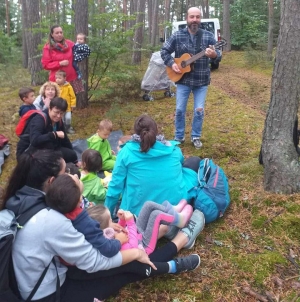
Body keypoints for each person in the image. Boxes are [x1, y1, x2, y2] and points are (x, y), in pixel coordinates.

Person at [2, 149, 202, 301]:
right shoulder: (49, 219)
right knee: (127, 267)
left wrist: (105, 229)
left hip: (45, 273)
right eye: (68, 172)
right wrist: (134, 254)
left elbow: (77, 227)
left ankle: (167, 241)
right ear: (53, 181)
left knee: (124, 251)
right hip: (49, 293)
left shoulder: (24, 198)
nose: (74, 173)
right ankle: (179, 244)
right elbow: (96, 261)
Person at [104, 114, 200, 217]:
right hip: (175, 212)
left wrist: (107, 216)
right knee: (193, 163)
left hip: (137, 216)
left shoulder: (126, 152)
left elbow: (115, 187)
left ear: (136, 132)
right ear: (156, 130)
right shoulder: (174, 150)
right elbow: (180, 165)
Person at [161, 7, 221, 149]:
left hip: (201, 81)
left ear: (200, 19)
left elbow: (218, 53)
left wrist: (213, 55)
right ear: (187, 18)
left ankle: (196, 136)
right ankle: (179, 137)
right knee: (180, 110)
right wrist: (172, 64)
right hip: (183, 80)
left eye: (197, 17)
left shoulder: (207, 36)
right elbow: (164, 51)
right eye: (192, 17)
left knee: (199, 110)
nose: (195, 20)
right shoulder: (177, 36)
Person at [88, 200, 193, 255]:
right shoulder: (110, 244)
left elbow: (120, 229)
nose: (113, 221)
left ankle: (173, 210)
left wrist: (123, 219)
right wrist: (130, 222)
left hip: (137, 234)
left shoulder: (109, 232)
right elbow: (133, 247)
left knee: (148, 205)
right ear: (105, 229)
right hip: (143, 246)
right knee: (156, 215)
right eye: (111, 220)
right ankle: (180, 221)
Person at [16, 97, 78, 164]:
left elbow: (65, 139)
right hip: (28, 153)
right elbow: (34, 140)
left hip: (47, 149)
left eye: (61, 113)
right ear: (50, 108)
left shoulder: (58, 121)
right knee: (52, 165)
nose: (58, 116)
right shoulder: (39, 119)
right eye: (56, 112)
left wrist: (75, 160)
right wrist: (54, 134)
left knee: (71, 155)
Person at [41, 25, 83, 94]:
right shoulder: (48, 47)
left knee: (72, 100)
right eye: (57, 33)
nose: (59, 34)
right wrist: (59, 63)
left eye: (61, 32)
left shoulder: (70, 43)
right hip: (57, 80)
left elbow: (78, 52)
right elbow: (45, 65)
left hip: (72, 77)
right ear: (52, 34)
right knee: (58, 102)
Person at [55, 70, 76, 134]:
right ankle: (62, 130)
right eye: (56, 78)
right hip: (59, 107)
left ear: (64, 78)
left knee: (68, 118)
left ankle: (68, 128)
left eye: (59, 78)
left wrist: (73, 104)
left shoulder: (69, 87)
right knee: (61, 119)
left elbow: (73, 96)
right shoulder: (55, 86)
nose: (57, 80)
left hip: (68, 108)